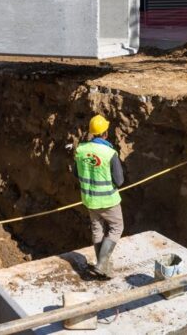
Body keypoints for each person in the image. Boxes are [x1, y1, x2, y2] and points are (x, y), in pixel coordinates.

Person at [73, 114, 124, 278]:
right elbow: (119, 180)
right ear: (105, 133)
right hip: (108, 200)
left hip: (90, 199)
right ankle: (102, 264)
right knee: (117, 227)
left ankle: (102, 265)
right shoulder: (109, 152)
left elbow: (76, 172)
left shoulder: (80, 150)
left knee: (97, 229)